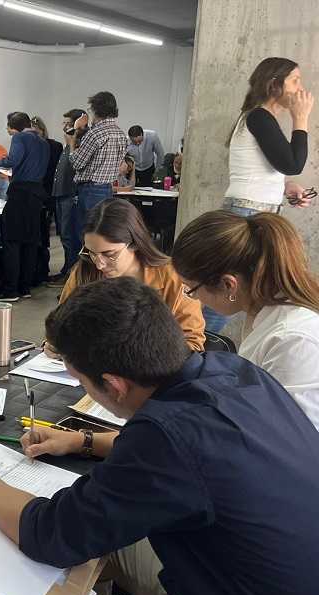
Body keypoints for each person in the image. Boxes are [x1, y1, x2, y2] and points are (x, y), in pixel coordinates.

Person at [0, 276, 319, 595]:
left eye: (82, 382)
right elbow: (196, 457)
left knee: (60, 555)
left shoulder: (163, 439)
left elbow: (50, 535)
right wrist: (84, 440)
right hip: (285, 572)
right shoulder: (233, 370)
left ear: (114, 385)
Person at [172, 210, 319, 429]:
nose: (193, 298)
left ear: (228, 285)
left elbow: (292, 435)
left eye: (191, 290)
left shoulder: (294, 341)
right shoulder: (259, 311)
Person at [56, 198, 205, 352]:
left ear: (134, 243)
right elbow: (60, 324)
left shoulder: (173, 278)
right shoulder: (85, 270)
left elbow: (192, 343)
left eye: (109, 254)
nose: (99, 264)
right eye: (91, 253)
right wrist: (54, 344)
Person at [225, 57, 313, 216]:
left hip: (251, 208)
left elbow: (257, 169)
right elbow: (293, 166)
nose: (300, 89)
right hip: (249, 211)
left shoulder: (258, 116)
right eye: (295, 81)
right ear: (274, 85)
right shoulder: (259, 116)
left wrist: (284, 187)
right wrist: (301, 118)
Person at [0, 112, 48, 302]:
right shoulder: (43, 142)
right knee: (30, 242)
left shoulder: (20, 138)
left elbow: (13, 160)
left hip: (20, 193)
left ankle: (10, 290)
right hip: (37, 194)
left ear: (13, 127)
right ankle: (24, 287)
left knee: (12, 240)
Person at [70, 91, 128, 215]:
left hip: (90, 190)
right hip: (108, 188)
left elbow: (77, 164)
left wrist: (71, 143)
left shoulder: (94, 134)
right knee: (100, 224)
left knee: (85, 225)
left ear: (96, 110)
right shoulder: (121, 134)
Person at [49, 109, 87, 286]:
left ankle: (71, 273)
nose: (64, 126)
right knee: (63, 235)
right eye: (63, 123)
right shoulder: (67, 144)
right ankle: (66, 269)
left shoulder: (78, 144)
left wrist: (73, 140)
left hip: (70, 194)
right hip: (60, 193)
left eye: (68, 123)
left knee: (69, 235)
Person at [30, 115, 63, 286]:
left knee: (43, 236)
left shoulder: (54, 146)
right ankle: (35, 270)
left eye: (36, 132)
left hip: (47, 193)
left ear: (42, 131)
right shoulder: (32, 146)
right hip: (34, 193)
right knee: (35, 234)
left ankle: (42, 270)